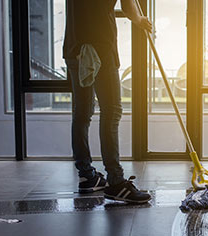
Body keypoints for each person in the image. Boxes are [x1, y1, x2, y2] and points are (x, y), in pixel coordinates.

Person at [63, 0, 152, 203]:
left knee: (82, 113)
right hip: (100, 48)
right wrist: (140, 20)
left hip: (75, 48)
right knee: (111, 111)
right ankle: (116, 182)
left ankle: (87, 176)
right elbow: (129, 7)